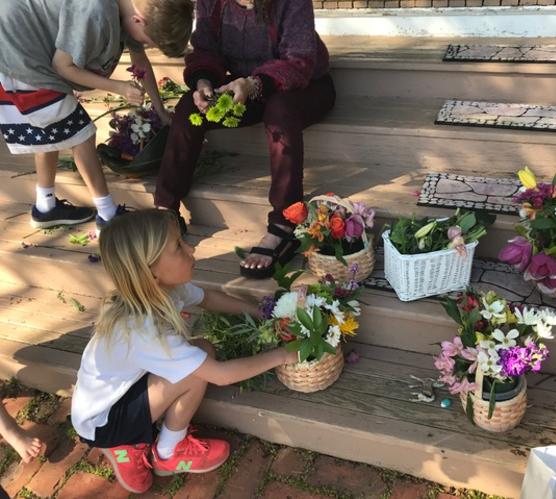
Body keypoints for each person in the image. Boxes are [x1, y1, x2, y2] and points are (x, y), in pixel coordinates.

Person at [70, 209, 297, 494]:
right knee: (194, 371)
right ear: (150, 271)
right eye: (178, 246)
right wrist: (283, 355)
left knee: (201, 349)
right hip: (105, 422)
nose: (191, 249)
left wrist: (261, 313)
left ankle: (143, 440)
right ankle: (166, 452)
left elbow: (208, 298)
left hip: (113, 395)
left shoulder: (161, 290)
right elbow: (222, 376)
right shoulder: (142, 329)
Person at [153, 0, 336, 279]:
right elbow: (205, 51)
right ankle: (165, 211)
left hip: (305, 87)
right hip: (242, 88)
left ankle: (284, 224)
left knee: (280, 112)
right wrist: (203, 82)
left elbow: (298, 62)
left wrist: (254, 84)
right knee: (189, 108)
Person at [0, 0, 189, 232]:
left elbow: (140, 61)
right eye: (148, 41)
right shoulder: (94, 10)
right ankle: (108, 216)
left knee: (51, 124)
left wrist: (159, 109)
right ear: (139, 20)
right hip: (21, 53)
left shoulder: (130, 11)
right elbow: (64, 66)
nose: (145, 45)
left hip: (33, 48)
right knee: (82, 135)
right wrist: (118, 87)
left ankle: (45, 207)